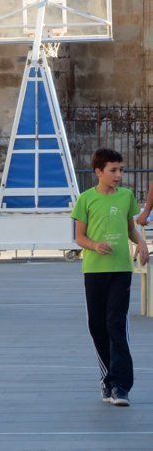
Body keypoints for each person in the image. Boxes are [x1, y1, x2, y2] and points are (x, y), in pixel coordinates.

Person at [72, 148, 149, 407]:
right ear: (98, 172)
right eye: (113, 170)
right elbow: (79, 237)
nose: (119, 175)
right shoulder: (85, 200)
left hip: (120, 270)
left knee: (116, 323)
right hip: (94, 271)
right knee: (98, 325)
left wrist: (142, 243)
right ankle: (107, 378)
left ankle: (120, 386)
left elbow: (130, 229)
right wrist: (94, 246)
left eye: (121, 170)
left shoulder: (126, 197)